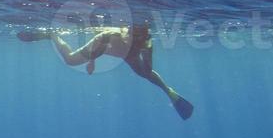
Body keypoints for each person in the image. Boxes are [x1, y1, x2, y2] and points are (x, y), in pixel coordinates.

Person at [16, 21, 193, 120]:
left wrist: (146, 67)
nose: (138, 38)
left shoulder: (146, 42)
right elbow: (99, 49)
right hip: (106, 47)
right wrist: (91, 61)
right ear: (129, 32)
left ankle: (169, 92)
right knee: (70, 60)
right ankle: (52, 35)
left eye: (141, 37)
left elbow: (148, 69)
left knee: (145, 73)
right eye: (134, 35)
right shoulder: (112, 35)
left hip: (126, 53)